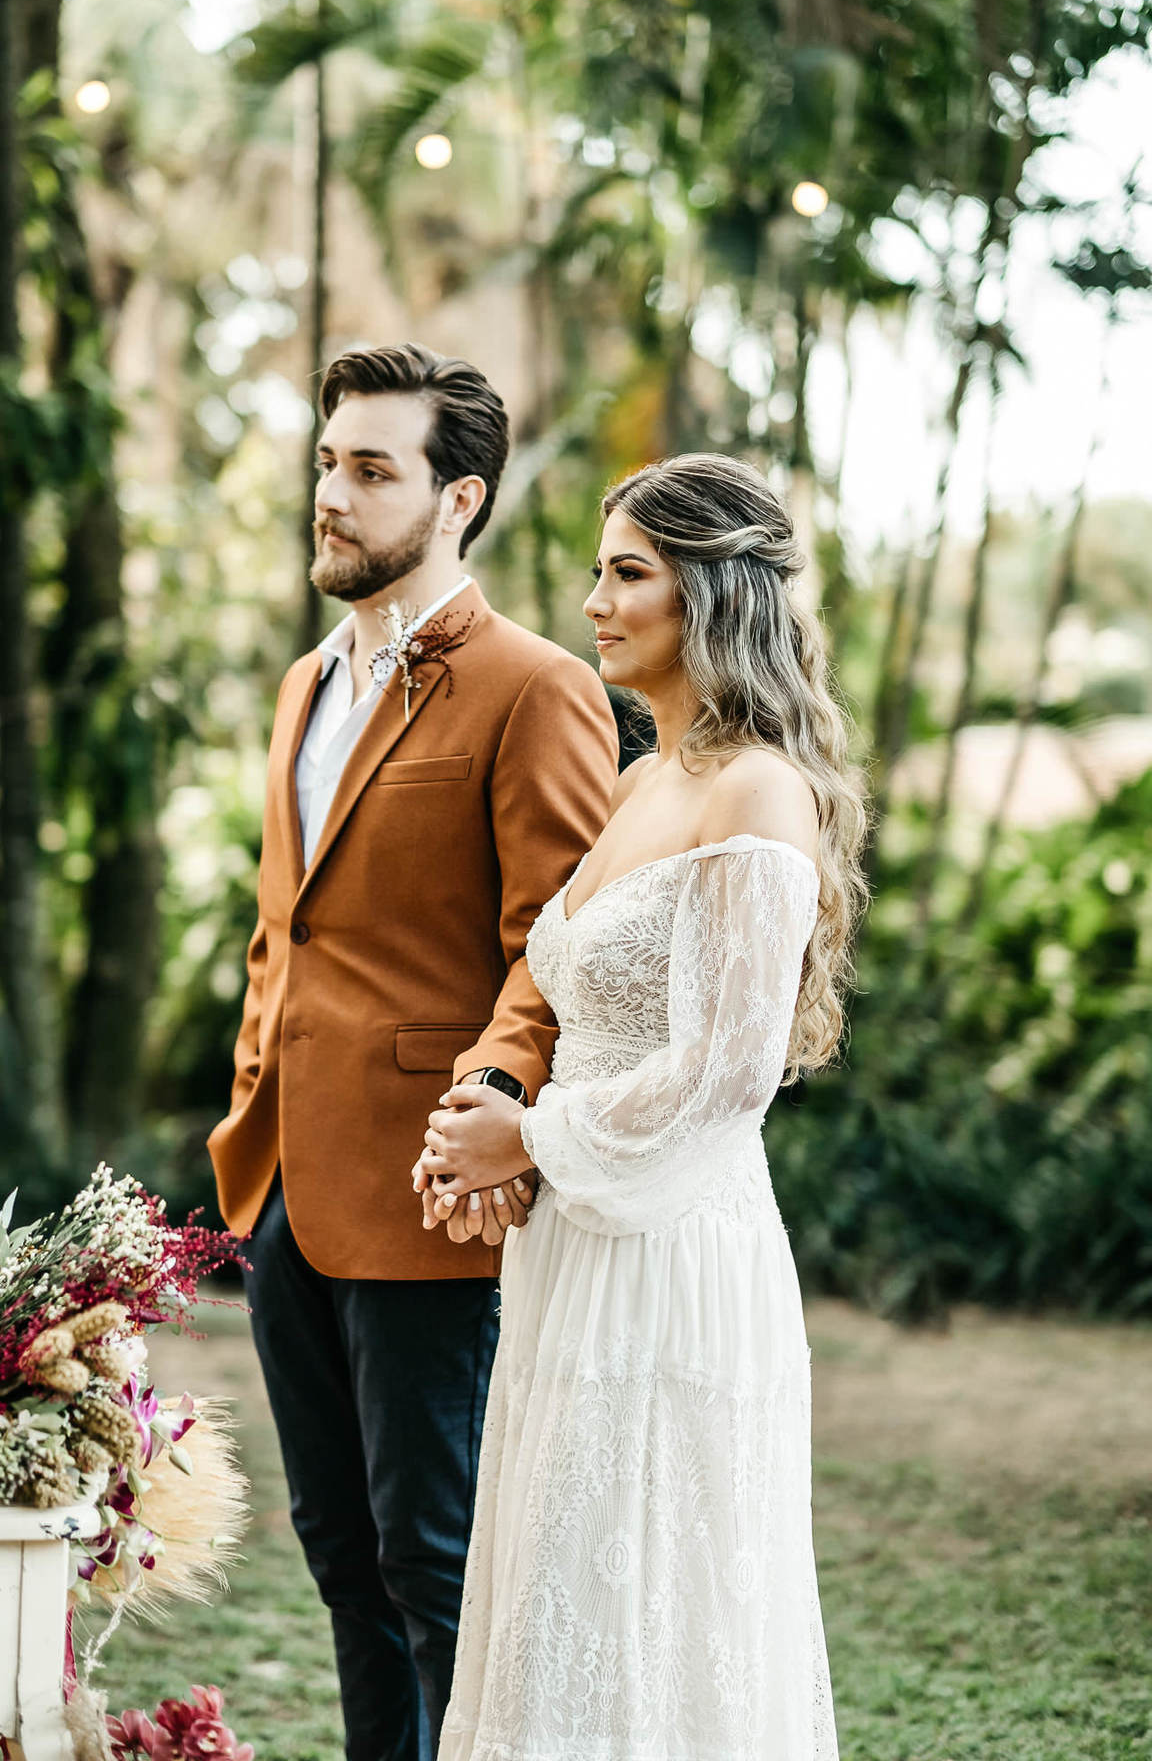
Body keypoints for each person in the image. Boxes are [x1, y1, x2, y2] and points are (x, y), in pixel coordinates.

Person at [417, 452, 867, 1761]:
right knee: (561, 1598)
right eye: (602, 571)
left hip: (675, 1262)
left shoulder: (755, 794)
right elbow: (561, 996)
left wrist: (532, 1139)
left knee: (648, 1602)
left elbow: (727, 1071)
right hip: (576, 1248)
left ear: (714, 596)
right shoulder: (642, 782)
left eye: (630, 574)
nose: (595, 600)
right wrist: (491, 1128)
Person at [207, 341, 618, 1761]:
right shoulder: (302, 684)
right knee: (340, 1565)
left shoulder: (536, 686)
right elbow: (292, 936)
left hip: (438, 1195)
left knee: (438, 1565)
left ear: (460, 500)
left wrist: (497, 1096)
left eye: (371, 471)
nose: (333, 494)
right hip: (283, 1195)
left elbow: (558, 947)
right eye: (329, 461)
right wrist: (247, 1114)